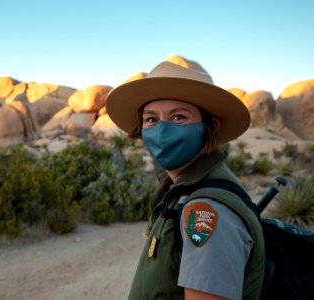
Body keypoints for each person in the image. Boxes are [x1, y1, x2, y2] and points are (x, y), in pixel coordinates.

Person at [105, 60, 265, 300]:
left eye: (179, 117)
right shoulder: (179, 191)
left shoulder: (208, 210)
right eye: (151, 119)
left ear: (209, 127)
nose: (161, 131)